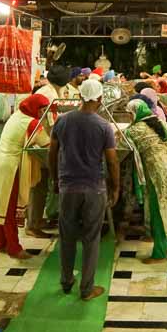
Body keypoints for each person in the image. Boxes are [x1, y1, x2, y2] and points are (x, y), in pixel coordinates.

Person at [49, 79, 120, 301]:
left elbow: (52, 154)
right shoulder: (103, 126)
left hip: (68, 187)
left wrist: (55, 180)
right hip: (94, 189)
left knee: (67, 236)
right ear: (99, 99)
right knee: (91, 238)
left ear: (80, 97)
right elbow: (112, 161)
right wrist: (115, 186)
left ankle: (66, 281)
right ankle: (87, 289)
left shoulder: (62, 121)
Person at [126, 101, 167, 263]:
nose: (129, 116)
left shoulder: (133, 130)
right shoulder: (159, 122)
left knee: (158, 212)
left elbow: (121, 145)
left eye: (129, 113)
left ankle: (159, 253)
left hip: (158, 173)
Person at [0, 94, 50, 259]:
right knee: (9, 208)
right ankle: (14, 248)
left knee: (1, 204)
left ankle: (0, 243)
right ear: (35, 108)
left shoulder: (17, 115)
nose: (42, 113)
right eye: (42, 110)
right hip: (10, 167)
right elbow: (47, 144)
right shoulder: (32, 123)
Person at [29, 64, 70, 238]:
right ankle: (32, 224)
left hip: (40, 139)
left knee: (42, 183)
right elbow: (53, 124)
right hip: (39, 142)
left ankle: (37, 219)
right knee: (38, 184)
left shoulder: (48, 90)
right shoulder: (50, 95)